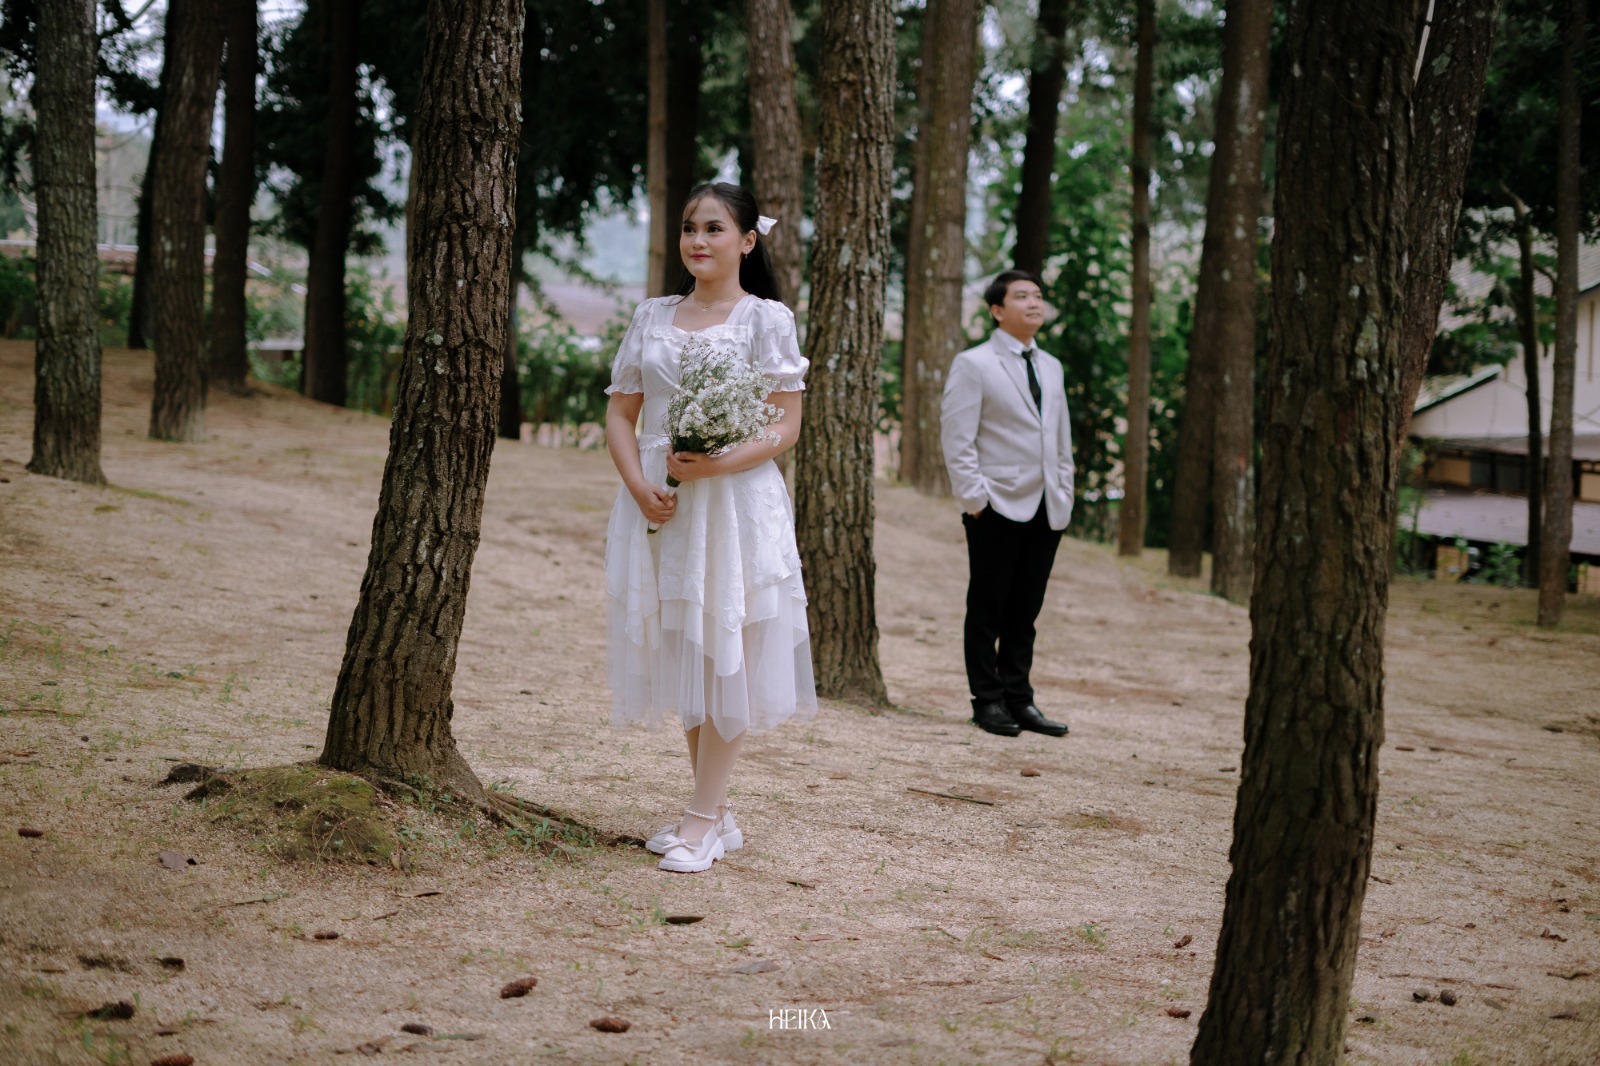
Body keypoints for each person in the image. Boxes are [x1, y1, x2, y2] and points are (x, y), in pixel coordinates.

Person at [602, 182, 817, 873]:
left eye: (714, 228)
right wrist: (640, 485)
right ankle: (716, 813)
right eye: (690, 227)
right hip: (662, 502)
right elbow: (621, 414)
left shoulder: (766, 320)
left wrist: (718, 462)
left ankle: (701, 821)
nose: (698, 240)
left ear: (747, 241)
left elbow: (786, 425)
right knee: (689, 651)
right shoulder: (653, 316)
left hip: (733, 505)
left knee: (725, 653)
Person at [939, 270, 1074, 738]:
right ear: (997, 310)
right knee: (988, 608)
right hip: (995, 504)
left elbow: (1060, 437)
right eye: (1021, 296)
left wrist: (1065, 492)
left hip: (1047, 506)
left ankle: (1020, 699)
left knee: (1025, 611)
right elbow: (958, 438)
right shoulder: (973, 364)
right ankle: (988, 701)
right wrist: (976, 500)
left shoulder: (1052, 366)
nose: (1034, 303)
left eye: (1038, 296)